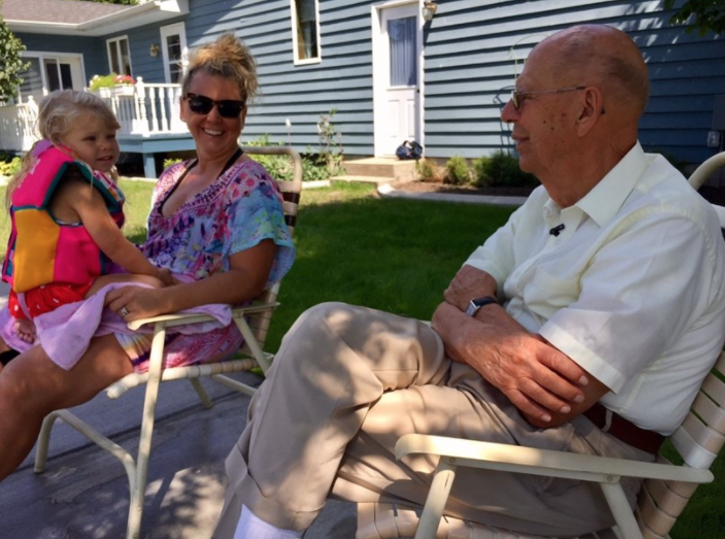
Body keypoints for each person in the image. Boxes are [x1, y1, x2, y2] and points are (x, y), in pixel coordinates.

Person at [213, 24, 725, 539]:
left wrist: (469, 316)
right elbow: (462, 286)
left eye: (523, 99)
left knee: (297, 409)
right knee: (323, 334)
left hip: (572, 459)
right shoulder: (553, 197)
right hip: (484, 382)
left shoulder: (666, 225)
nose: (508, 114)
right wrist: (478, 323)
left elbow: (555, 393)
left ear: (586, 109)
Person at [0, 33, 295, 481]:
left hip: (186, 323)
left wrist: (162, 301)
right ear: (183, 106)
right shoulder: (175, 176)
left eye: (228, 107)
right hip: (132, 301)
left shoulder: (251, 188)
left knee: (17, 385)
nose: (212, 117)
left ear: (242, 115)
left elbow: (246, 282)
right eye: (200, 103)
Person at [0, 90, 173, 348]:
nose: (105, 145)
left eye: (110, 136)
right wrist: (156, 273)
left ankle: (27, 321)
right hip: (60, 293)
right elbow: (115, 247)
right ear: (61, 143)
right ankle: (123, 342)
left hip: (32, 293)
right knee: (152, 285)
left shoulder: (47, 184)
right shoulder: (81, 191)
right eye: (90, 138)